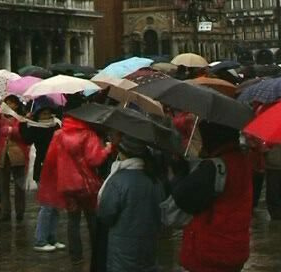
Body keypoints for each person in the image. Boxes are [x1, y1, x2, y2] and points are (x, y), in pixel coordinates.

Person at [168, 120, 252, 272]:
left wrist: (180, 172)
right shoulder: (241, 159)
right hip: (235, 245)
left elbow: (183, 198)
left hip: (210, 249)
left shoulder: (215, 167)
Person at [38, 99, 111, 264]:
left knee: (73, 221)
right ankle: (97, 252)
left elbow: (52, 160)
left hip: (66, 185)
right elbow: (95, 160)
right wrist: (107, 149)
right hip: (86, 185)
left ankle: (75, 256)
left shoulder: (59, 135)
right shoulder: (88, 134)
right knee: (92, 218)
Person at [96, 136, 163, 272]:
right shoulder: (155, 180)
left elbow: (105, 215)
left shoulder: (117, 181)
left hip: (122, 250)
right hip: (149, 246)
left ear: (123, 153)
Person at [20, 96, 65, 252]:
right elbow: (26, 139)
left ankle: (52, 237)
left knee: (56, 205)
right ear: (37, 114)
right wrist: (23, 122)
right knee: (47, 206)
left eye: (48, 112)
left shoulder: (57, 125)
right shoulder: (34, 127)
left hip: (57, 168)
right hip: (43, 168)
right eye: (43, 112)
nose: (46, 115)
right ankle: (40, 240)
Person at [0, 94, 30, 222]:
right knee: (3, 185)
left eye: (12, 103)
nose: (9, 105)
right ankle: (5, 212)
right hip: (2, 155)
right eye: (7, 103)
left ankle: (20, 211)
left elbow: (25, 136)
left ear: (16, 105)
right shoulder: (0, 118)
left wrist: (12, 130)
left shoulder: (21, 118)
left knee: (19, 185)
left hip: (19, 155)